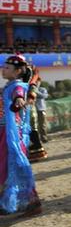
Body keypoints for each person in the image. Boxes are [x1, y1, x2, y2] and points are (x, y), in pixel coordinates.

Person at [0, 55, 42, 216]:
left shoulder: (17, 86)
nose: (3, 69)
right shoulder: (8, 86)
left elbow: (18, 93)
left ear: (18, 72)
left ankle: (32, 201)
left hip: (10, 134)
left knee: (13, 165)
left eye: (7, 68)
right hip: (5, 131)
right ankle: (16, 201)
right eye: (4, 67)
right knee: (9, 166)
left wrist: (18, 99)